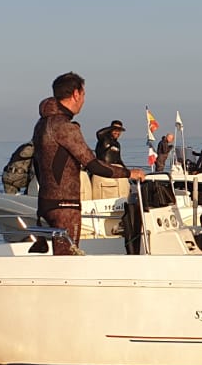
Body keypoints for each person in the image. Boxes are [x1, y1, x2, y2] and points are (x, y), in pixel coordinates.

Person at [31, 72, 146, 255]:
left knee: (58, 259)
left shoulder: (42, 124)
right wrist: (129, 173)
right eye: (83, 95)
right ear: (76, 94)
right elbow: (94, 165)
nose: (84, 100)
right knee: (67, 260)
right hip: (65, 207)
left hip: (45, 203)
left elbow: (36, 163)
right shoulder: (65, 127)